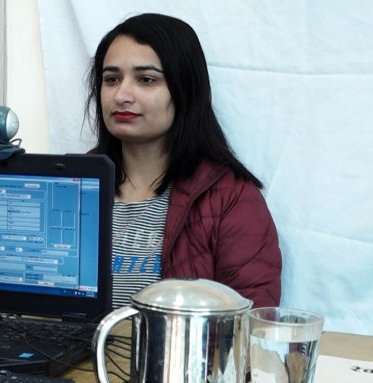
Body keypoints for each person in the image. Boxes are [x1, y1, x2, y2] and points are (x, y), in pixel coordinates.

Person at [86, 13, 281, 308]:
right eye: (111, 79)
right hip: (77, 342)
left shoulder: (231, 199)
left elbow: (252, 319)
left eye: (146, 80)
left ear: (184, 90)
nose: (122, 95)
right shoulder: (72, 183)